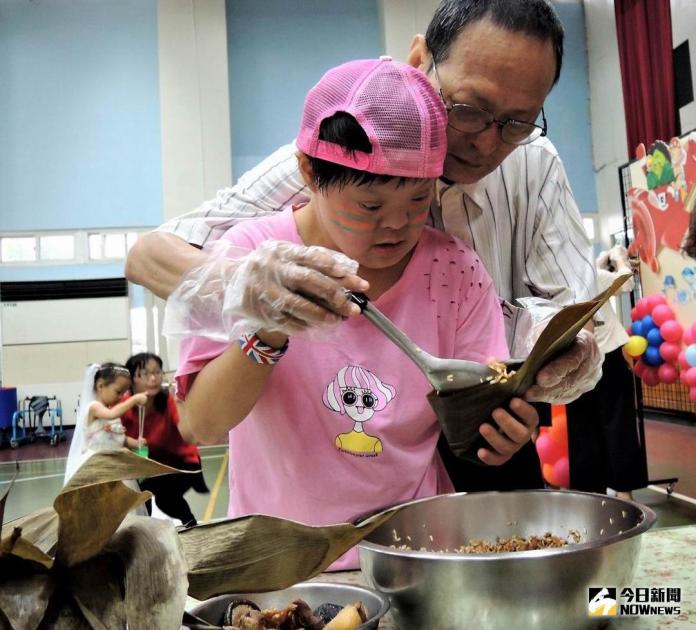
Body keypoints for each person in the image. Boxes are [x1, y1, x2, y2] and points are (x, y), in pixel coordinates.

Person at [126, 0, 601, 488]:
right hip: (319, 461)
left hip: (482, 427)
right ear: (419, 62)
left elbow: (574, 312)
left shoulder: (533, 168)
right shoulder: (343, 152)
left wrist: (562, 348)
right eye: (469, 111)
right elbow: (151, 255)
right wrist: (257, 289)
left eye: (517, 123)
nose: (486, 143)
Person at [174, 57, 539, 570]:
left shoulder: (453, 270)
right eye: (370, 206)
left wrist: (502, 435)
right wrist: (270, 329)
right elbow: (200, 425)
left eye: (418, 199)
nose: (397, 225)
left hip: (416, 557)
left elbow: (479, 412)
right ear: (309, 173)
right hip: (280, 565)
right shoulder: (251, 258)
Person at [565, 245, 649, 499]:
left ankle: (590, 494)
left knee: (582, 428)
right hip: (609, 356)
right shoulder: (593, 276)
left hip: (575, 360)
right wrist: (621, 259)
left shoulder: (563, 280)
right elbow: (625, 284)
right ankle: (625, 492)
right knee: (618, 423)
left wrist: (602, 262)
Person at [121, 353, 208, 527]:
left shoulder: (168, 400)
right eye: (145, 374)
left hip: (179, 461)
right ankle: (147, 532)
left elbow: (188, 432)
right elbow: (114, 436)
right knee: (140, 498)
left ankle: (190, 524)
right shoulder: (124, 404)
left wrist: (183, 402)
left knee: (165, 498)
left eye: (157, 372)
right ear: (131, 379)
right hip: (144, 463)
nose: (153, 378)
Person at [64, 363, 148, 484]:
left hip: (115, 465)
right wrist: (134, 400)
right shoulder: (94, 408)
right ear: (100, 386)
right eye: (118, 392)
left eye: (124, 393)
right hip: (98, 465)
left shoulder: (109, 412)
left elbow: (119, 438)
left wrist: (135, 442)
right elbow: (111, 414)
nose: (121, 397)